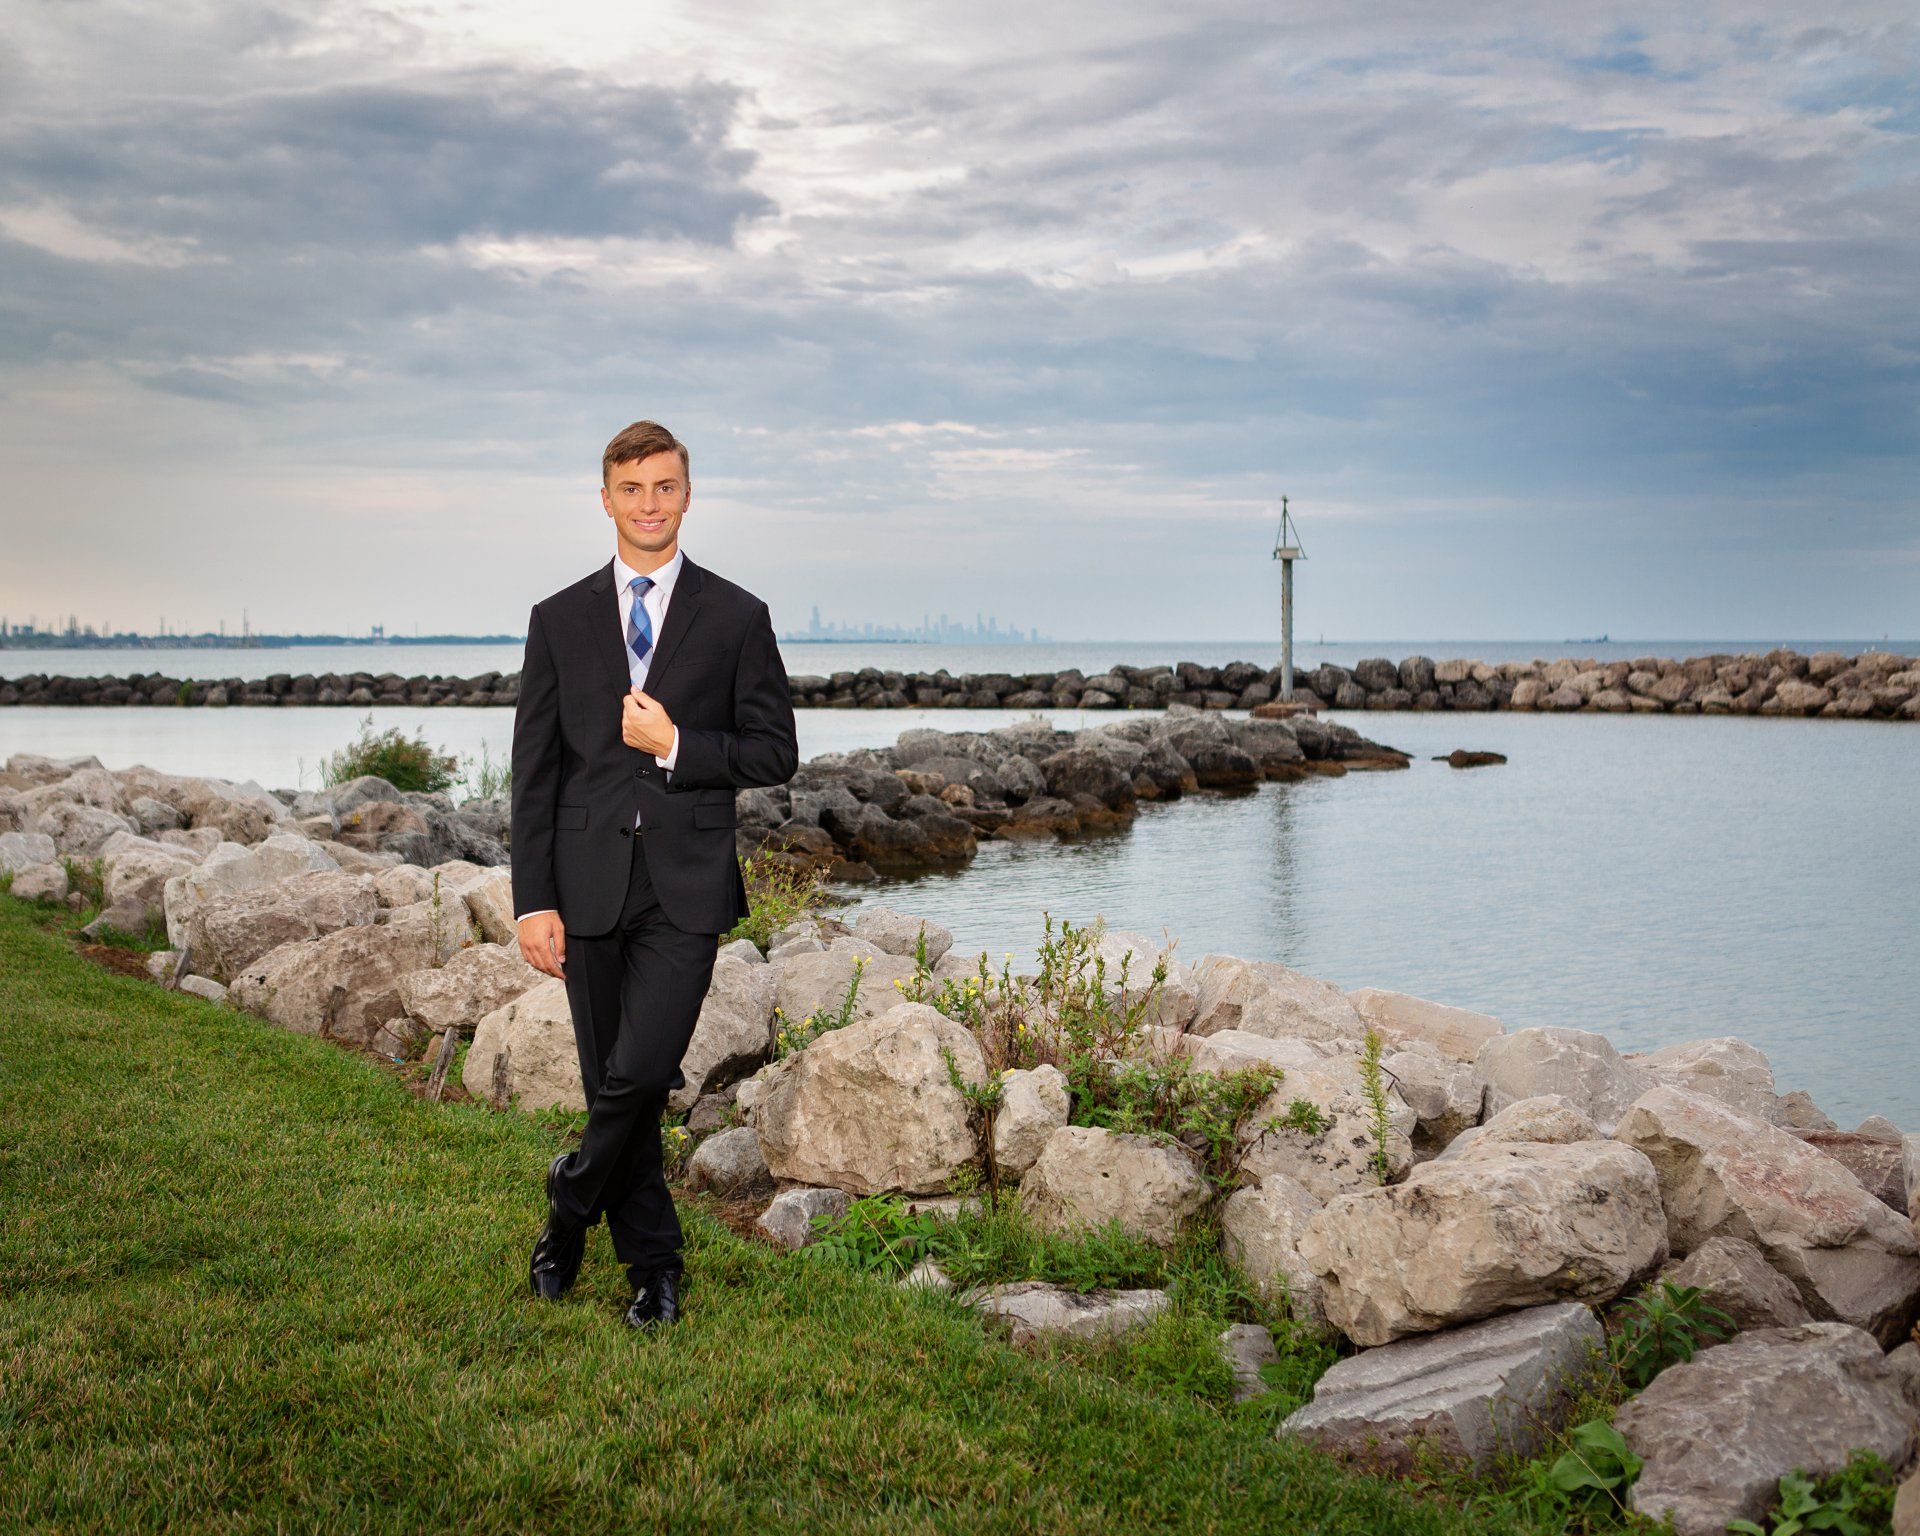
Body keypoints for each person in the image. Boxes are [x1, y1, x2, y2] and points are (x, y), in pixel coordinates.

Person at [509, 419, 798, 1330]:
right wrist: (533, 901)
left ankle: (569, 1200)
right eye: (631, 490)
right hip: (584, 882)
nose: (649, 505)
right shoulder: (557, 620)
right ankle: (654, 1269)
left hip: (686, 883)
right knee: (613, 1089)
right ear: (606, 500)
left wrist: (676, 744)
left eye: (664, 487)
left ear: (686, 494)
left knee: (640, 1071)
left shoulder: (737, 616)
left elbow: (775, 751)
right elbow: (536, 773)